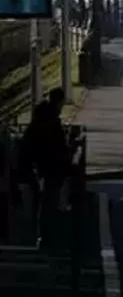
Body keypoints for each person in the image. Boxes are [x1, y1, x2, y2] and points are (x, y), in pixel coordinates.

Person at [21, 88, 72, 240]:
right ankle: (45, 234)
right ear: (59, 102)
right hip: (49, 167)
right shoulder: (51, 121)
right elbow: (55, 145)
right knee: (49, 201)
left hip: (40, 165)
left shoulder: (41, 117)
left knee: (42, 200)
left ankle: (41, 233)